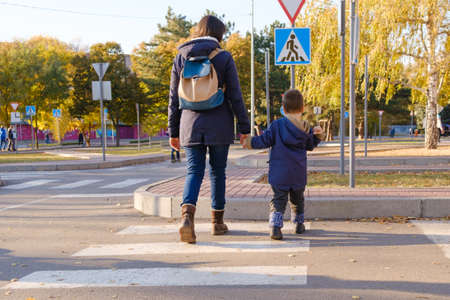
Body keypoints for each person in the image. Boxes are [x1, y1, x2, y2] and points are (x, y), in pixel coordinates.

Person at [168, 15, 250, 243]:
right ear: (219, 34)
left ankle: (187, 218)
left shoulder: (181, 57)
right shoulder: (223, 57)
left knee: (194, 171)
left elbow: (173, 98)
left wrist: (173, 132)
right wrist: (244, 128)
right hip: (219, 124)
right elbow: (235, 96)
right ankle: (217, 222)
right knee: (217, 172)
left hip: (189, 123)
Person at [243, 89, 323, 240]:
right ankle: (299, 224)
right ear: (302, 108)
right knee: (297, 199)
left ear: (283, 108)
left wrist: (249, 142)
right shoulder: (306, 128)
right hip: (298, 172)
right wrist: (317, 136)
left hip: (279, 172)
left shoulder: (276, 126)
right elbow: (310, 145)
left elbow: (264, 141)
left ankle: (275, 227)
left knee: (278, 199)